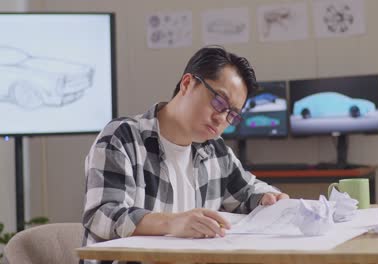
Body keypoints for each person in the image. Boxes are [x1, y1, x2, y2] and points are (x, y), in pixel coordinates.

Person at [81, 46, 289, 263]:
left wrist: (272, 198)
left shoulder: (214, 150)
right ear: (187, 83)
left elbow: (248, 191)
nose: (221, 119)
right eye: (219, 102)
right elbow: (102, 215)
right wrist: (172, 223)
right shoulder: (123, 137)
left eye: (232, 114)